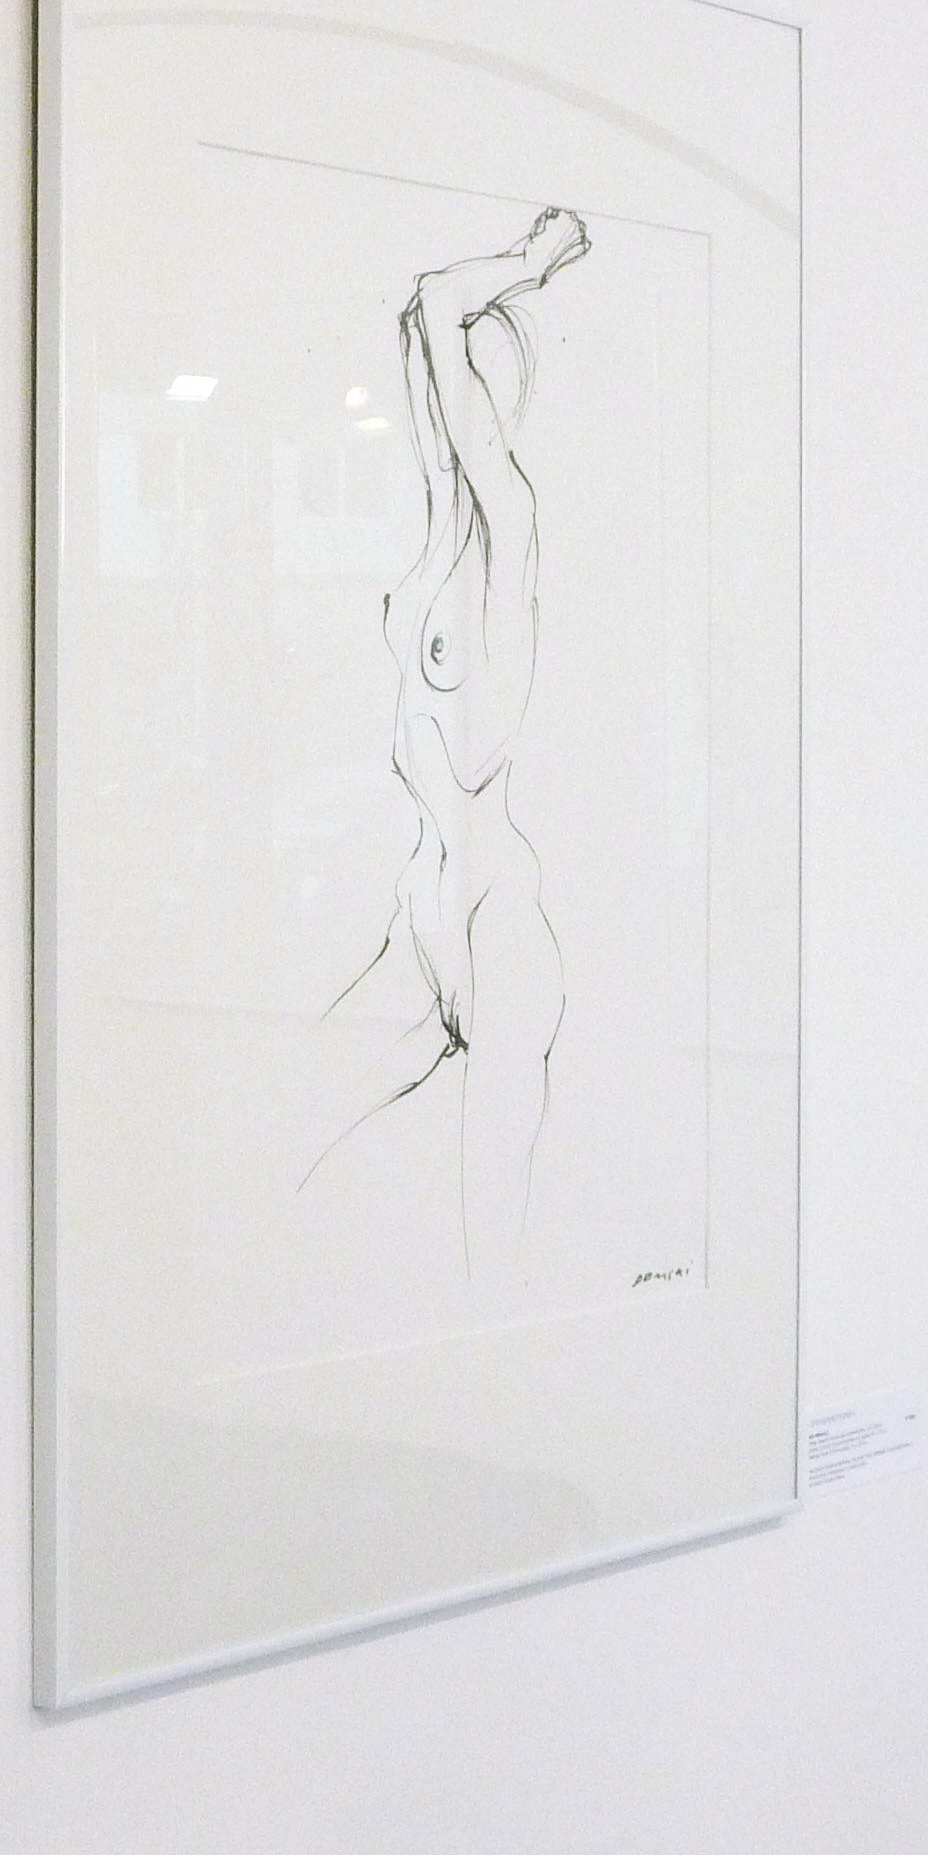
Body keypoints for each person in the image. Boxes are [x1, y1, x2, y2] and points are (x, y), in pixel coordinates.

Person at [317, 206, 584, 1281]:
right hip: (425, 915)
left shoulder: (509, 533)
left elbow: (433, 302)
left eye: (461, 383)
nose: (436, 404)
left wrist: (530, 264)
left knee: (492, 1254)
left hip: (495, 934)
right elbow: (418, 325)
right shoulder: (442, 533)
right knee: (279, 1134)